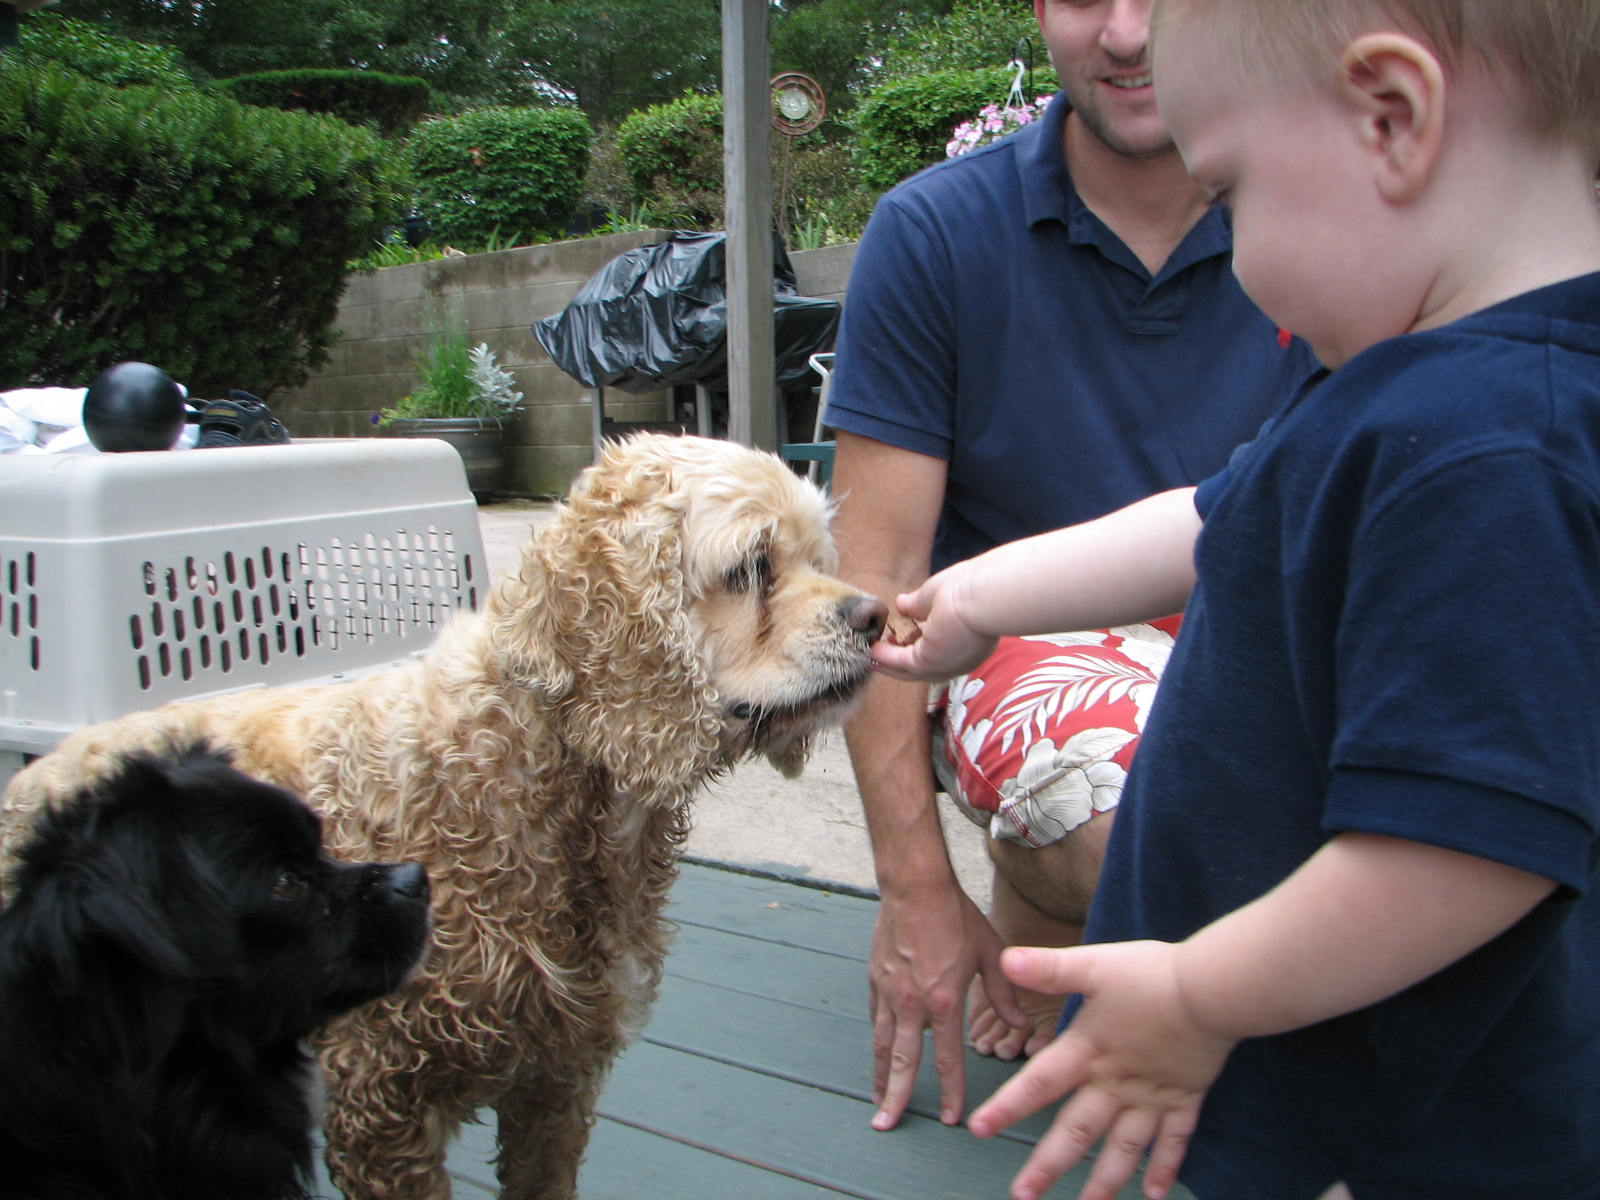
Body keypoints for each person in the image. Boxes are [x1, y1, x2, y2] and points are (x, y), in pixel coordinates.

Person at [874, 0, 1600, 1197]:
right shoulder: (1400, 383)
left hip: (1420, 1122)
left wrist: (1202, 994)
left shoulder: (1489, 453)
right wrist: (982, 594)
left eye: (1231, 197)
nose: (1237, 258)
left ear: (1391, 118)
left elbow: (1468, 848)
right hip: (1311, 1064)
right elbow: (1214, 519)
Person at [822, 0, 1315, 1132]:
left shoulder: (1328, 201)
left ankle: (1070, 929)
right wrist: (913, 892)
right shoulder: (937, 231)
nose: (1131, 32)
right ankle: (1066, 888)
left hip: (1263, 624)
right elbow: (878, 585)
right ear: (1041, 8)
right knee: (1123, 811)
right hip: (1019, 651)